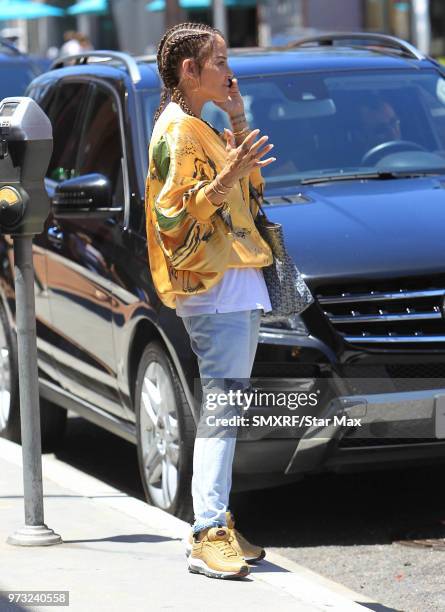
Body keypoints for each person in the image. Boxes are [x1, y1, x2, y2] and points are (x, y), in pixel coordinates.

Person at [145, 22, 276, 580]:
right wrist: (229, 170)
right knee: (222, 409)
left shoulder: (201, 125)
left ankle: (216, 520)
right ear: (189, 71)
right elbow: (176, 213)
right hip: (213, 290)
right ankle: (206, 531)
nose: (229, 72)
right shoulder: (176, 130)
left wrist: (238, 126)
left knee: (228, 407)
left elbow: (252, 196)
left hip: (235, 285)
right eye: (218, 62)